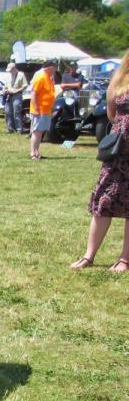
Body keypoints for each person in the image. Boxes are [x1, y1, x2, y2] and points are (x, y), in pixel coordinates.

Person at [71, 50, 129, 272]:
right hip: (119, 150)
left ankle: (125, 259)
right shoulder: (119, 79)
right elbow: (112, 115)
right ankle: (89, 256)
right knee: (104, 199)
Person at [29, 60, 57, 160]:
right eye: (54, 69)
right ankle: (32, 153)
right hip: (39, 110)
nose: (55, 71)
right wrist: (36, 109)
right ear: (49, 68)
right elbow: (33, 94)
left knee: (40, 132)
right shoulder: (40, 77)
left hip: (46, 110)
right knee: (36, 132)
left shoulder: (49, 78)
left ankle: (37, 151)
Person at [3, 62, 27, 134]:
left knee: (16, 112)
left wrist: (16, 91)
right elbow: (6, 85)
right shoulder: (8, 76)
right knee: (7, 112)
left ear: (14, 68)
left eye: (10, 70)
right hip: (8, 95)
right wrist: (5, 90)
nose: (9, 72)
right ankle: (10, 128)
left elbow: (25, 86)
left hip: (17, 95)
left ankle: (19, 129)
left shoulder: (21, 75)